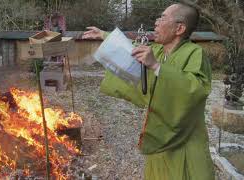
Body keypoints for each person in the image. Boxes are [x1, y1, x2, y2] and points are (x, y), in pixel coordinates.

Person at [82, 3, 214, 180]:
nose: (156, 23)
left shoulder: (195, 53)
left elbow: (196, 90)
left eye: (163, 18)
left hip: (184, 140)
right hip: (159, 135)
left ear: (179, 28)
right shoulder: (158, 50)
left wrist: (157, 66)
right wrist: (105, 35)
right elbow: (132, 49)